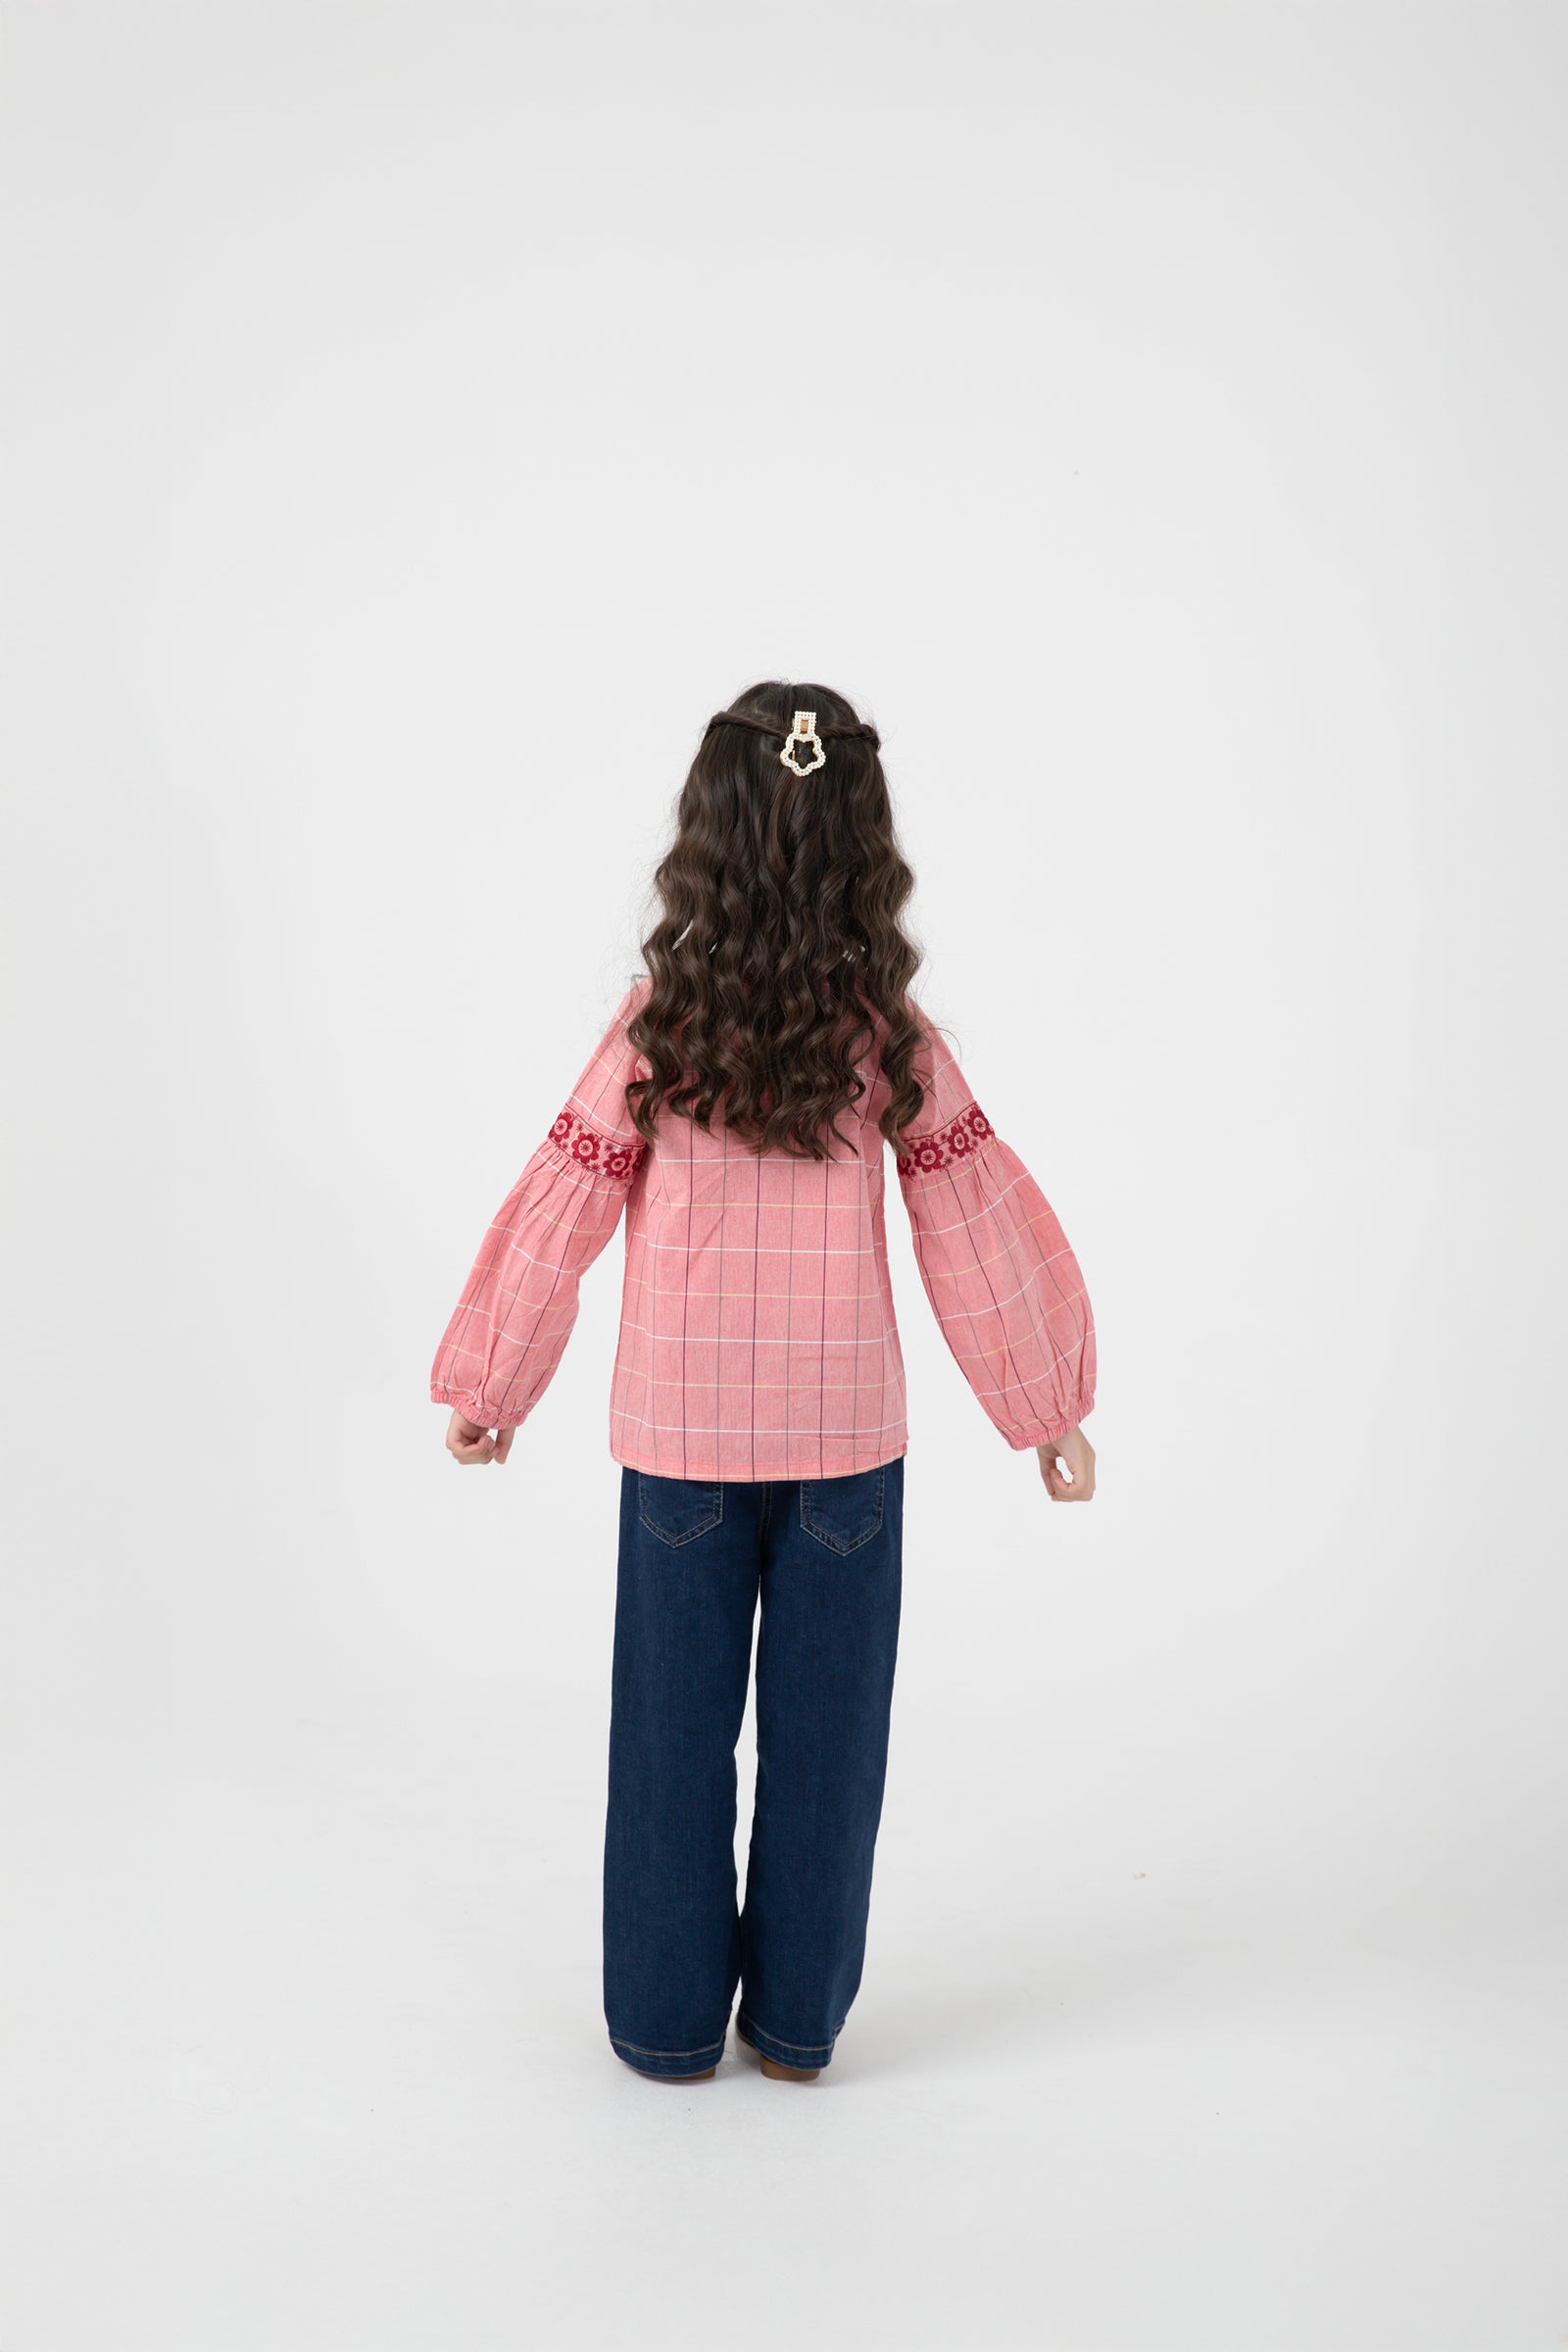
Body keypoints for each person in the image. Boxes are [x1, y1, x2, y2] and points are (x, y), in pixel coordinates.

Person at [430, 682, 1098, 2086]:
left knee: (668, 1744)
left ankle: (665, 2028)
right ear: (866, 840)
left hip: (681, 1439)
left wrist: (493, 1378)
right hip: (845, 1442)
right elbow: (974, 1223)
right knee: (829, 1747)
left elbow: (565, 1201)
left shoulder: (660, 1031)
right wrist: (1048, 1409)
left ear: (709, 835)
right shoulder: (889, 1040)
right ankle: (796, 2029)